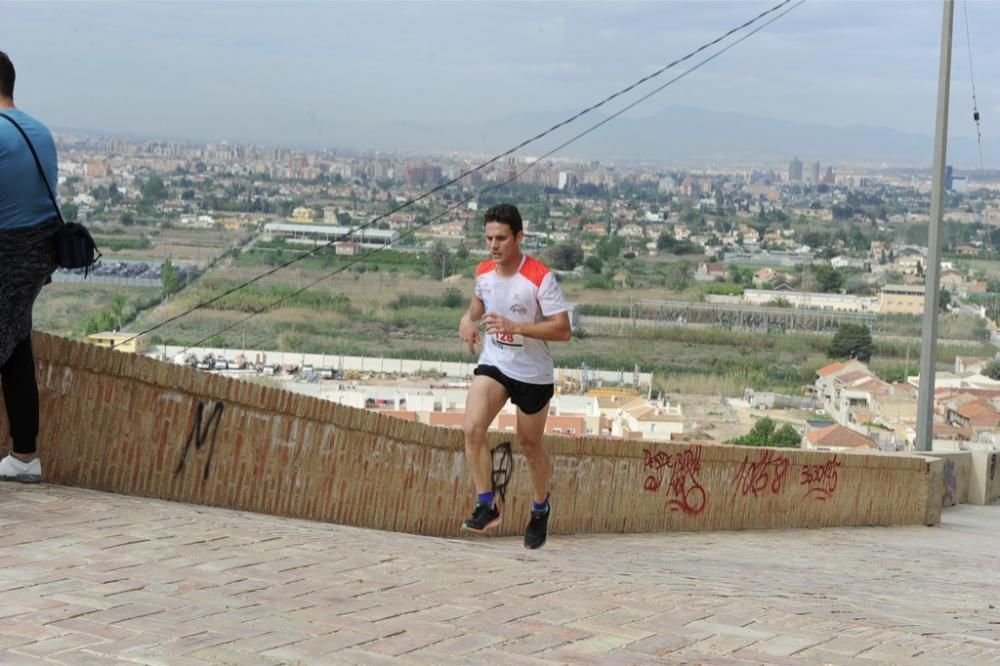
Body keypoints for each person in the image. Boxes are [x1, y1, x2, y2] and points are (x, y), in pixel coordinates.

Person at [458, 203, 571, 549]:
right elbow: (480, 300)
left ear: (519, 237)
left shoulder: (539, 277)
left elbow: (563, 330)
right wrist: (467, 319)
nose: (494, 245)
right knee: (472, 427)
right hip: (495, 363)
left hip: (533, 373)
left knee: (530, 445)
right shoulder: (483, 272)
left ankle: (539, 508)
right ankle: (486, 504)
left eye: (502, 238)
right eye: (489, 238)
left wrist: (516, 326)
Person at [0, 50, 60, 483]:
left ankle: (25, 458)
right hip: (35, 257)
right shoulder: (40, 131)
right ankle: (24, 457)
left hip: (4, 253)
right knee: (15, 346)